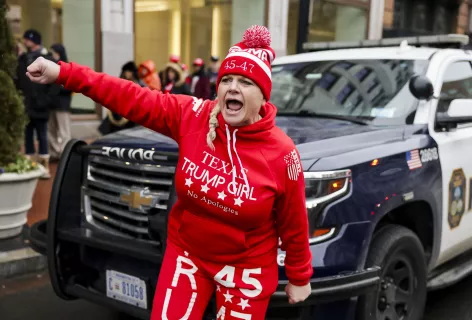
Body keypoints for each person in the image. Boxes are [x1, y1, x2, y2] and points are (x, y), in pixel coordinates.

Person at [25, 25, 313, 319]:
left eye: (246, 82)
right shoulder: (193, 115)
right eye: (227, 79)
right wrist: (63, 74)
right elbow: (130, 97)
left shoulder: (282, 153)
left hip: (246, 267)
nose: (233, 88)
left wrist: (299, 276)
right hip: (188, 254)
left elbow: (294, 221)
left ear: (264, 95)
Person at [15, 29, 59, 179]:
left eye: (27, 39)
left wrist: (45, 100)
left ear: (34, 41)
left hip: (41, 107)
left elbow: (55, 84)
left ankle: (44, 167)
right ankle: (29, 165)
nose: (25, 42)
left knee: (42, 135)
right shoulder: (23, 59)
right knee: (27, 134)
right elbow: (18, 80)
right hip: (26, 105)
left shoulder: (47, 59)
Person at [98, 61, 143, 135]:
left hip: (132, 112)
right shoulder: (121, 83)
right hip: (120, 109)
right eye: (126, 71)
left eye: (129, 71)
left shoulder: (139, 85)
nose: (127, 73)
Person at [48, 43, 72, 161]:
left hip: (62, 105)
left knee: (64, 132)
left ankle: (65, 154)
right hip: (51, 104)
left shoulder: (67, 67)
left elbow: (69, 87)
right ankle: (54, 153)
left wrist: (55, 88)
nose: (52, 55)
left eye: (53, 53)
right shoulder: (50, 66)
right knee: (51, 130)